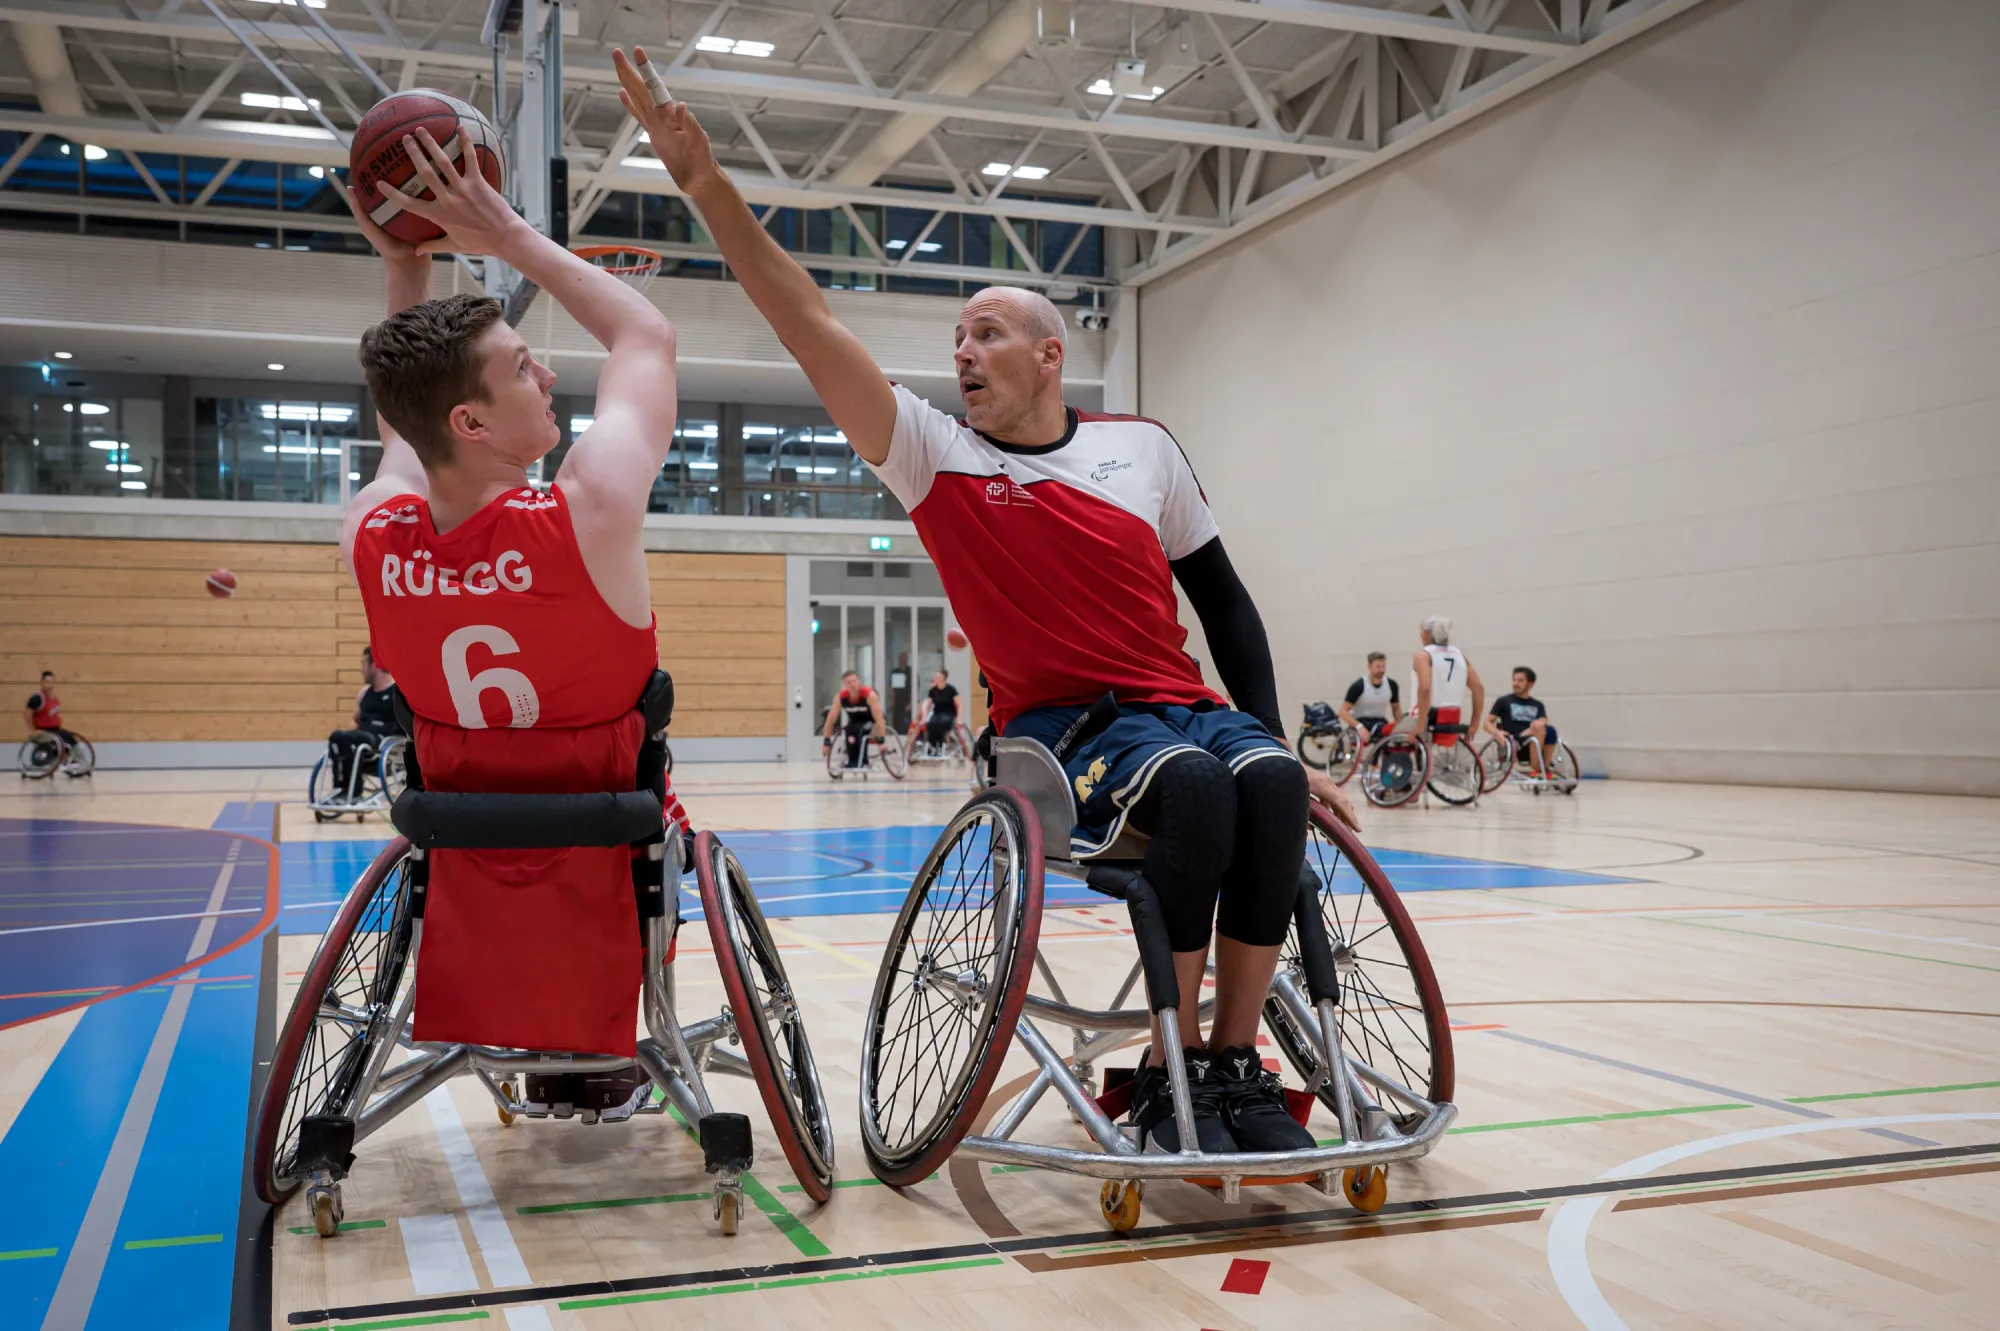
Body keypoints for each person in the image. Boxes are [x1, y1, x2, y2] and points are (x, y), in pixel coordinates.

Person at [616, 56, 1357, 1156]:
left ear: (1050, 355)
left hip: (1180, 704)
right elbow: (804, 319)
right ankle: (1170, 1071)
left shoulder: (1140, 450)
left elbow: (1226, 605)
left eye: (987, 334)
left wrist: (1275, 736)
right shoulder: (933, 454)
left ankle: (1228, 1060)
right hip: (1061, 731)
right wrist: (709, 188)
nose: (961, 351)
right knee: (1196, 789)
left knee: (1261, 775)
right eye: (955, 339)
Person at [336, 124, 683, 1100]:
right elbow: (645, 335)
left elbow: (403, 431)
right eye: (526, 367)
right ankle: (607, 1028)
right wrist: (508, 234)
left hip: (454, 818)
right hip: (608, 813)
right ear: (473, 423)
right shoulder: (592, 512)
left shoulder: (374, 534)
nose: (550, 374)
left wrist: (408, 268)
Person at [324, 647, 403, 801]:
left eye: (363, 664)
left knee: (352, 740)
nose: (361, 670)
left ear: (375, 666)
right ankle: (341, 789)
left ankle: (354, 792)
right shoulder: (364, 693)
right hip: (363, 741)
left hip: (384, 746)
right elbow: (355, 719)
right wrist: (350, 733)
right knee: (338, 737)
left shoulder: (398, 693)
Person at [1396, 616, 1485, 743]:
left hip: (1428, 716)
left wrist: (1420, 725)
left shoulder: (1422, 655)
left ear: (1425, 634)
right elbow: (1479, 689)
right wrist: (1474, 725)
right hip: (1453, 717)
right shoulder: (1460, 656)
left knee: (1389, 737)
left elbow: (1425, 688)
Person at [1487, 665, 1559, 774]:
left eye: (1520, 681)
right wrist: (1497, 733)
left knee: (1551, 730)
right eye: (1514, 680)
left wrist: (1540, 722)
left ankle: (1546, 766)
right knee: (1539, 730)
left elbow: (1544, 719)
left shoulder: (1537, 704)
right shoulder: (1504, 701)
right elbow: (1486, 723)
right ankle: (1537, 769)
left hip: (1535, 737)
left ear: (1530, 684)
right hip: (1515, 740)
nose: (1515, 684)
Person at [821, 671, 884, 774]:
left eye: (854, 681)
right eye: (849, 682)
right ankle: (852, 761)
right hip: (855, 721)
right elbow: (830, 719)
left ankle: (863, 762)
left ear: (859, 682)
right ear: (845, 685)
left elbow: (879, 719)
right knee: (849, 729)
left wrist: (881, 740)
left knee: (860, 729)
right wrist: (826, 741)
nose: (852, 684)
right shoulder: (841, 697)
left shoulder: (869, 695)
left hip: (872, 721)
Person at [23, 670, 81, 766]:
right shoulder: (38, 698)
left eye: (51, 682)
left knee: (74, 737)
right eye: (47, 682)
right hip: (45, 730)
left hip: (55, 729)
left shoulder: (54, 698)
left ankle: (73, 761)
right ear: (42, 682)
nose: (49, 685)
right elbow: (27, 714)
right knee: (65, 738)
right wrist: (33, 730)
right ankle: (68, 761)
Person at [1338, 652, 1400, 741]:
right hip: (1361, 721)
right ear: (1369, 667)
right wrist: (1359, 726)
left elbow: (1396, 708)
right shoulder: (1359, 686)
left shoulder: (1392, 685)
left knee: (1393, 734)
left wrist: (1401, 726)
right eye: (1378, 667)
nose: (1382, 670)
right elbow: (1343, 711)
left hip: (1380, 722)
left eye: (1383, 666)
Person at [907, 668, 961, 754]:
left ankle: (942, 743)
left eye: (937, 676)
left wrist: (959, 718)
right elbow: (926, 705)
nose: (934, 678)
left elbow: (959, 704)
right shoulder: (933, 691)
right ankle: (933, 746)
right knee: (931, 724)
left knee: (941, 723)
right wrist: (924, 718)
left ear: (943, 677)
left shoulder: (951, 689)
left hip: (949, 713)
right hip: (937, 713)